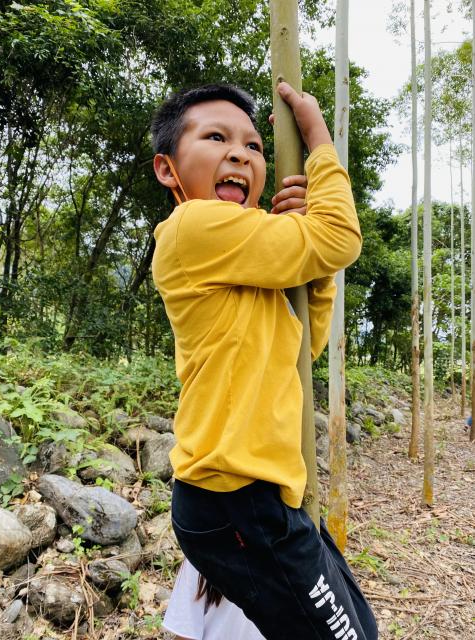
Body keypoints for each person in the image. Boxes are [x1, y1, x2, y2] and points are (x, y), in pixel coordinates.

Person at [151, 81, 378, 639]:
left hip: (261, 494)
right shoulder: (191, 227)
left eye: (253, 146)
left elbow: (302, 348)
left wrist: (313, 270)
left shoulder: (247, 265)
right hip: (233, 495)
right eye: (216, 137)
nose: (239, 153)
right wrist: (317, 137)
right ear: (167, 169)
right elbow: (339, 238)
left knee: (360, 626)